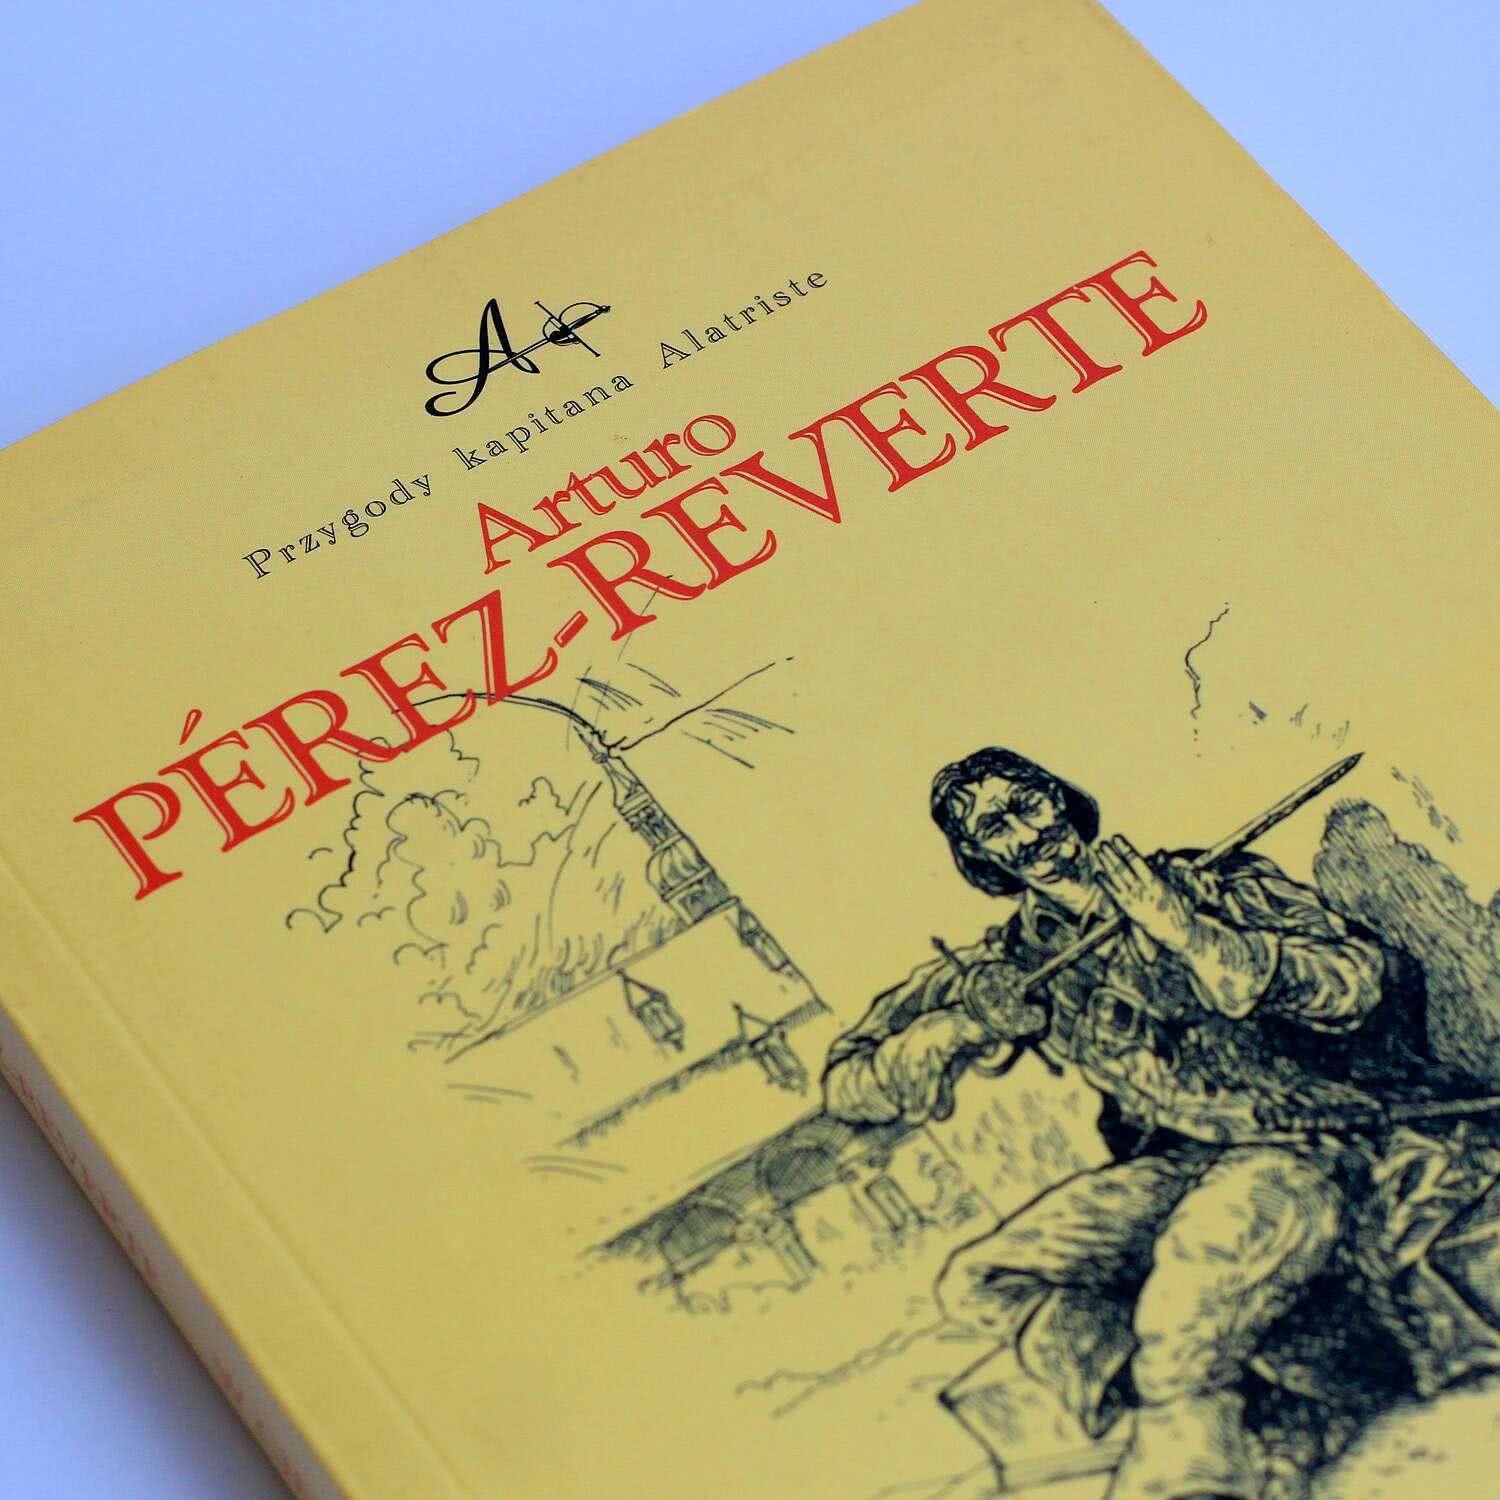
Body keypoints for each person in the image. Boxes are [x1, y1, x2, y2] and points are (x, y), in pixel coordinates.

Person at [822, 747, 1425, 1500]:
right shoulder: (1010, 959)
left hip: (1299, 1140)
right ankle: (1269, 1414)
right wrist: (963, 1026)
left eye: (1029, 803)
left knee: (1180, 1312)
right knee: (983, 1279)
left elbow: (1356, 985)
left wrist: (1188, 931)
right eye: (995, 827)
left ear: (1061, 799)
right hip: (1175, 1167)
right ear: (979, 857)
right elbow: (849, 1086)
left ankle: (1192, 1473)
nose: (1025, 833)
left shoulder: (1211, 882)